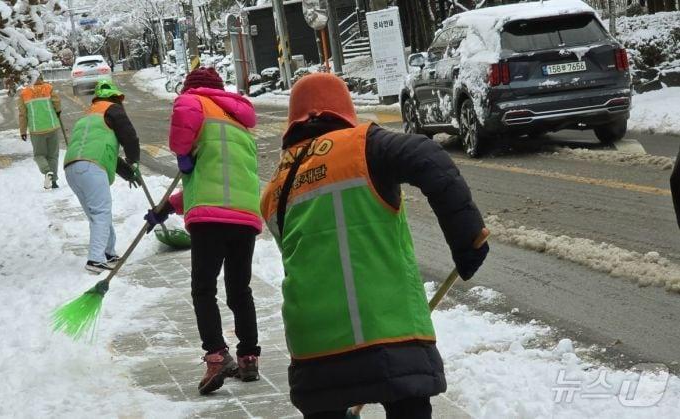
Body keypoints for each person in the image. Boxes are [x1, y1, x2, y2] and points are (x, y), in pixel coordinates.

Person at [259, 73, 490, 419]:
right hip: (389, 332)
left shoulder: (275, 186)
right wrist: (468, 239)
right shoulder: (363, 145)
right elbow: (429, 158)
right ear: (343, 112)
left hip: (313, 349)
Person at [144, 67, 262, 395]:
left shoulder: (193, 101)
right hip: (244, 216)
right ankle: (249, 356)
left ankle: (216, 355)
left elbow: (181, 139)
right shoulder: (238, 122)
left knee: (203, 288)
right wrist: (167, 207)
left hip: (210, 220)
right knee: (240, 289)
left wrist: (183, 153)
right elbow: (213, 179)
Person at [64, 79, 141, 274]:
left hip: (72, 168)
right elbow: (130, 136)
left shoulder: (89, 116)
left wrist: (128, 173)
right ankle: (95, 260)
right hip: (91, 166)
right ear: (115, 97)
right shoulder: (113, 109)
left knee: (96, 214)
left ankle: (108, 254)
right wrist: (134, 161)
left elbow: (106, 152)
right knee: (101, 213)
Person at [17, 73, 62, 189]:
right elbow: (57, 102)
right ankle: (54, 182)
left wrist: (23, 131)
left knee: (39, 155)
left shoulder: (24, 93)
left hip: (36, 130)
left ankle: (47, 172)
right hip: (52, 127)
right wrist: (57, 112)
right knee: (53, 156)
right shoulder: (48, 88)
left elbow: (23, 114)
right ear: (41, 78)